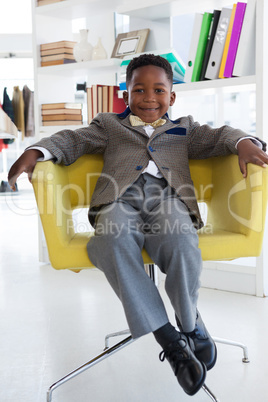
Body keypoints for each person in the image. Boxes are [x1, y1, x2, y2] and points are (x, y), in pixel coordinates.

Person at [8, 54, 268, 396]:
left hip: (168, 199)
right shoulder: (108, 126)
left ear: (171, 97)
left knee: (181, 241)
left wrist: (246, 142)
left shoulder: (185, 129)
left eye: (159, 89)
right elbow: (71, 140)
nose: (149, 97)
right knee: (109, 242)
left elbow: (221, 135)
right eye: (139, 89)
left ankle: (190, 326)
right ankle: (171, 342)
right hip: (118, 200)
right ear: (126, 95)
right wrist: (36, 151)